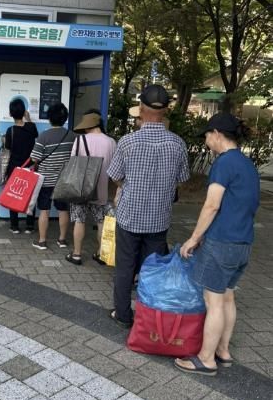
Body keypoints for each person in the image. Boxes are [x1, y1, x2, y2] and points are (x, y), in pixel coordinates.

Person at [175, 113, 260, 376]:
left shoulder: (224, 163)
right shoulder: (247, 164)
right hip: (243, 242)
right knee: (227, 296)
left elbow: (212, 205)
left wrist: (194, 238)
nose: (206, 140)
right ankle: (223, 351)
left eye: (207, 135)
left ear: (217, 134)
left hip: (222, 242)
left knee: (213, 301)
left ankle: (206, 359)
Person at [107, 84, 190, 328]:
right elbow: (182, 179)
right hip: (159, 219)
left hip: (129, 215)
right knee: (153, 269)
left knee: (125, 267)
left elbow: (115, 176)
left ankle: (123, 314)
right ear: (165, 110)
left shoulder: (127, 142)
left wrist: (129, 185)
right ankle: (149, 317)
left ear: (141, 108)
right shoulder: (177, 143)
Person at [65, 111, 117, 265]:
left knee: (79, 220)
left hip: (81, 188)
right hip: (101, 189)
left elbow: (73, 162)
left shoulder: (80, 140)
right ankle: (101, 254)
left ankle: (77, 254)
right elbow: (115, 168)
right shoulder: (111, 142)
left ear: (88, 126)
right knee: (101, 221)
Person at [30, 102, 75, 250]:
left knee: (44, 210)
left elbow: (34, 158)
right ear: (65, 118)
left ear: (49, 118)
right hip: (64, 180)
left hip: (46, 180)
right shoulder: (72, 136)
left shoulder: (44, 136)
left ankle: (42, 241)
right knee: (63, 210)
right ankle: (62, 240)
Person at [4, 98, 38, 234]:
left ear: (10, 114)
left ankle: (14, 226)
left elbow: (7, 149)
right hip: (30, 167)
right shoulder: (31, 128)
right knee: (30, 196)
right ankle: (30, 226)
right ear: (24, 112)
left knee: (14, 195)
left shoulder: (10, 131)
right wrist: (28, 118)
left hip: (14, 168)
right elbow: (35, 134)